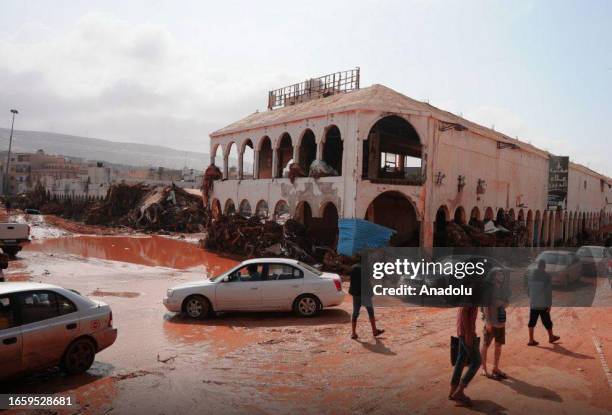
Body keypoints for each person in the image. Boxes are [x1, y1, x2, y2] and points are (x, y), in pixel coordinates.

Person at [450, 306, 481, 406]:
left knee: (461, 358)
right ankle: (459, 392)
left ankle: (453, 390)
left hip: (462, 330)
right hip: (466, 333)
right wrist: (468, 333)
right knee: (476, 362)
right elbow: (464, 310)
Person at [480, 269, 508, 380]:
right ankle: (484, 368)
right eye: (499, 274)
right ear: (493, 276)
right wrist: (488, 322)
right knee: (486, 345)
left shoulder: (503, 289)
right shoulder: (489, 289)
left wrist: (502, 303)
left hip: (501, 322)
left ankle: (495, 368)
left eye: (502, 274)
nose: (501, 276)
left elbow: (507, 303)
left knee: (498, 345)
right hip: (491, 322)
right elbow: (485, 306)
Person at [527, 259, 560, 346]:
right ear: (544, 266)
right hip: (543, 303)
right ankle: (551, 337)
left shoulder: (532, 275)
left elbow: (527, 288)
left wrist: (531, 297)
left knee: (532, 321)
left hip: (533, 303)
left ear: (538, 266)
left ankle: (531, 340)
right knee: (547, 321)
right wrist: (549, 304)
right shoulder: (547, 276)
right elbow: (548, 292)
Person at [348, 263, 384, 339]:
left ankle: (353, 333)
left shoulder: (353, 267)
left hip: (356, 294)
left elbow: (351, 280)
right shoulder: (365, 268)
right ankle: (374, 331)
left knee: (355, 312)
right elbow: (367, 282)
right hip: (365, 294)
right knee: (370, 312)